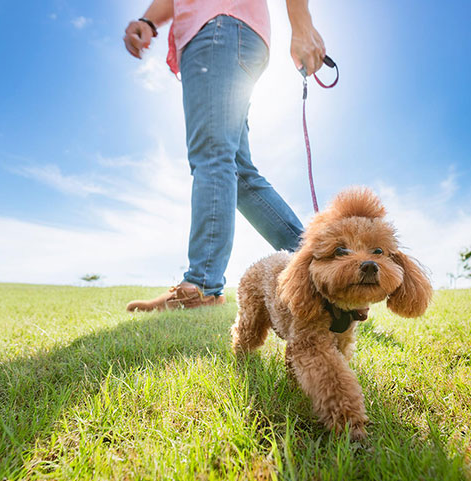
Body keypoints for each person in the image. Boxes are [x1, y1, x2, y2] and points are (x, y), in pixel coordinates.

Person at [123, 0, 327, 311]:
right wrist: (149, 22)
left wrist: (302, 24)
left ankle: (202, 286)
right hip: (229, 32)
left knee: (213, 155)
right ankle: (318, 269)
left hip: (219, 27)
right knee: (238, 172)